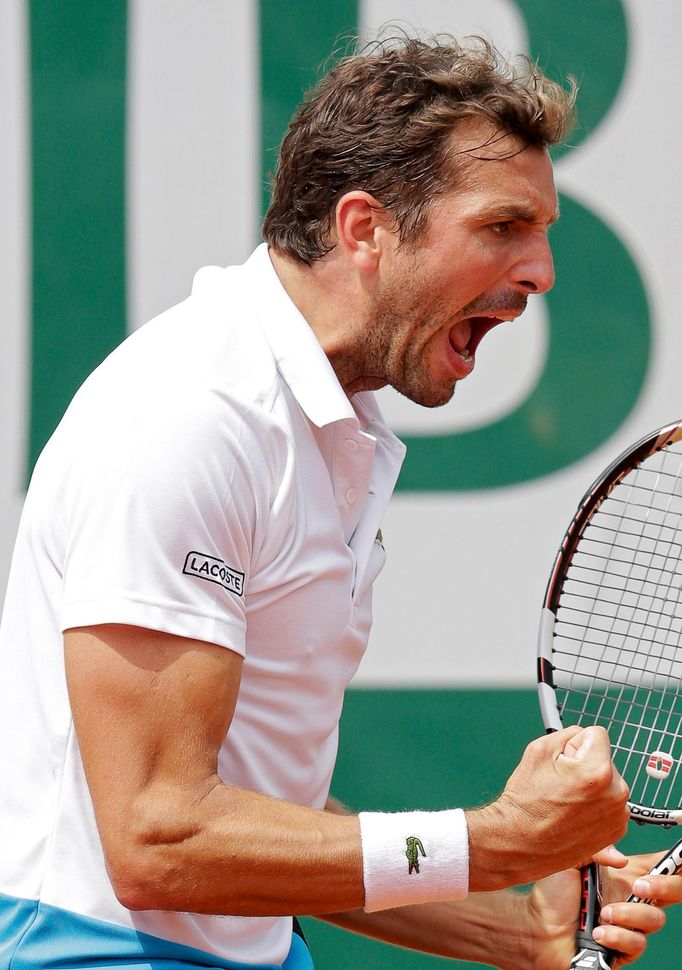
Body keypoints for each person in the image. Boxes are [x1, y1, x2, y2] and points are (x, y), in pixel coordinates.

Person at [0, 33, 679, 970]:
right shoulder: (188, 419)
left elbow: (256, 811)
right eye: (502, 227)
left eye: (544, 232)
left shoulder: (325, 429)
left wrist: (513, 929)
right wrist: (491, 841)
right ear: (366, 229)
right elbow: (158, 837)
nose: (542, 273)